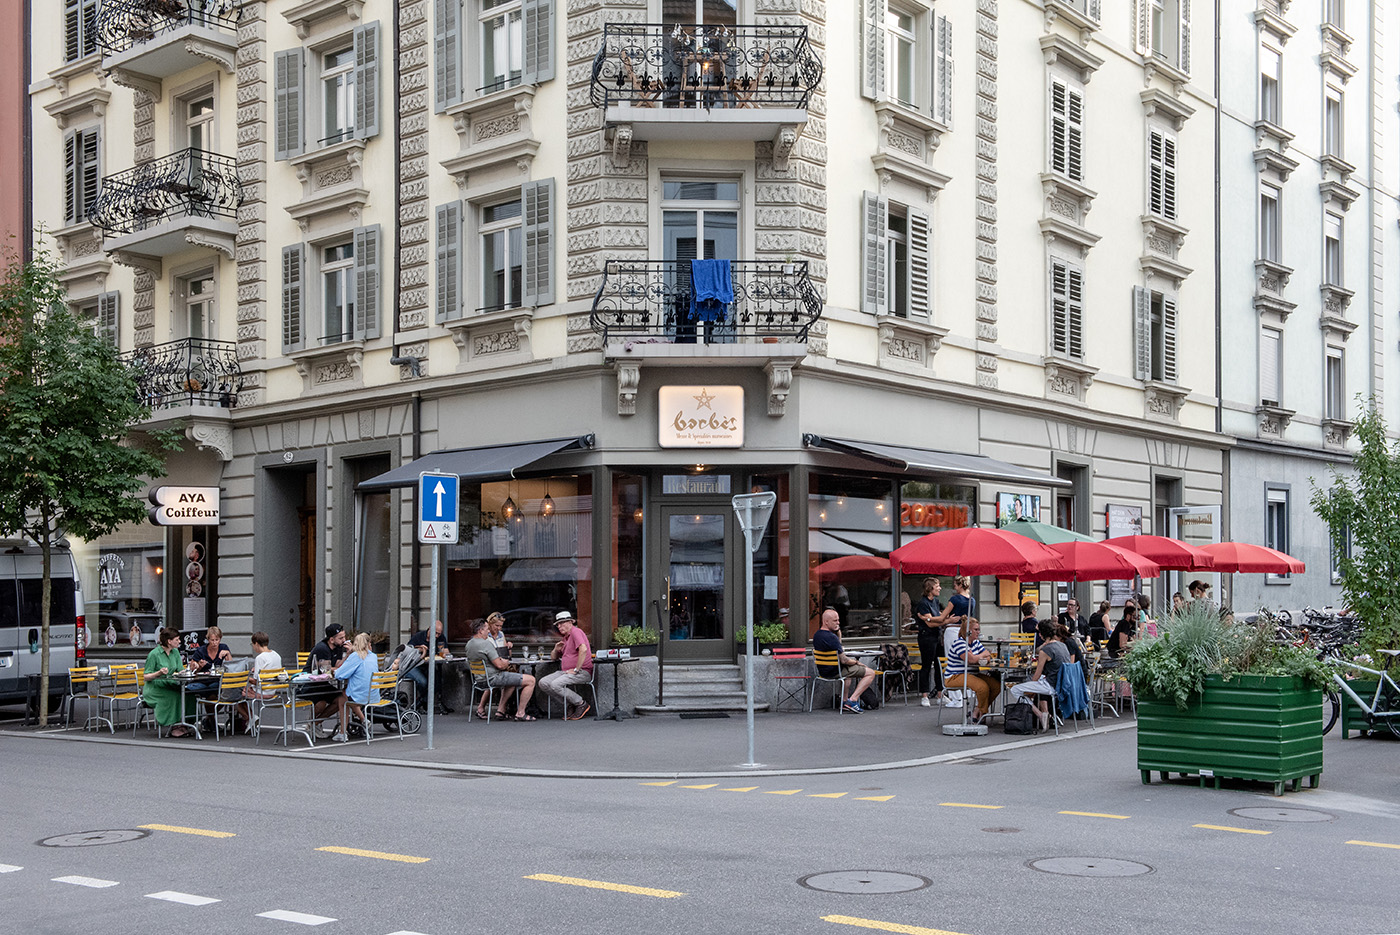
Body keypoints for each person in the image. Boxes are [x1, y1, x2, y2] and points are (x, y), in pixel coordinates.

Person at [466, 618, 537, 720]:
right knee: (531, 680)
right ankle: (521, 713)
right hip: (493, 678)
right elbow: (500, 665)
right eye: (486, 629)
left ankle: (500, 711)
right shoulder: (486, 644)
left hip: (479, 680)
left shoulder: (469, 644)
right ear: (480, 630)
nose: (488, 631)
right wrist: (505, 662)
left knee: (511, 680)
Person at [1009, 620, 1072, 731]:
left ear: (1041, 634)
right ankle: (1046, 714)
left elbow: (1037, 675)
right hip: (1064, 685)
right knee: (1030, 687)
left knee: (1015, 689)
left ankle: (1040, 714)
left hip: (1051, 686)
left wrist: (1031, 692)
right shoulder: (1063, 646)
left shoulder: (1045, 651)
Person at [812, 608, 877, 713]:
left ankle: (844, 701)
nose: (838, 623)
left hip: (823, 671)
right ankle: (853, 700)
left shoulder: (817, 635)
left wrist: (838, 636)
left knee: (848, 674)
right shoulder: (832, 638)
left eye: (838, 620)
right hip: (835, 671)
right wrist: (856, 662)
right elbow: (844, 660)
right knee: (870, 673)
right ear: (826, 621)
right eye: (835, 620)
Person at [538, 611, 594, 720]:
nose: (559, 626)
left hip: (582, 671)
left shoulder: (575, 632)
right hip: (566, 672)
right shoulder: (566, 638)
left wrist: (576, 669)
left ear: (570, 622)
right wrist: (555, 649)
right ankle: (570, 703)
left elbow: (583, 649)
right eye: (558, 624)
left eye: (562, 623)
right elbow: (553, 657)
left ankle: (581, 703)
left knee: (555, 684)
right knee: (543, 683)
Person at [943, 618, 1000, 723]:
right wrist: (981, 655)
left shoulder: (976, 643)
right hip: (955, 676)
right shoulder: (960, 643)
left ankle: (977, 710)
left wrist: (979, 657)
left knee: (996, 686)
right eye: (976, 630)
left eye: (979, 629)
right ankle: (982, 714)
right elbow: (971, 659)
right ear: (968, 631)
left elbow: (988, 657)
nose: (978, 632)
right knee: (982, 687)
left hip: (972, 673)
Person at [142, 627, 196, 737]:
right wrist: (159, 673)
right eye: (177, 639)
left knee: (189, 695)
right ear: (169, 641)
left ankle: (185, 723)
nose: (180, 641)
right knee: (174, 697)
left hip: (170, 684)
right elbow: (146, 676)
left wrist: (191, 668)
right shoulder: (154, 654)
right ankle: (174, 726)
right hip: (155, 688)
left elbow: (180, 671)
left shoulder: (175, 652)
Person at [912, 577, 955, 706]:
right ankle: (924, 695)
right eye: (937, 586)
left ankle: (940, 693)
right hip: (926, 637)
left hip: (937, 636)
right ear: (930, 589)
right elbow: (930, 624)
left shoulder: (935, 601)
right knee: (926, 665)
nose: (940, 588)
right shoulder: (923, 603)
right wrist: (946, 621)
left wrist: (940, 619)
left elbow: (936, 618)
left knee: (938, 665)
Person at [333, 632, 380, 742]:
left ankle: (343, 733)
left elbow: (340, 675)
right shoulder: (373, 656)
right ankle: (363, 720)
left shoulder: (356, 656)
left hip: (360, 696)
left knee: (342, 699)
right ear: (368, 643)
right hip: (373, 695)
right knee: (347, 694)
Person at [304, 623, 349, 736]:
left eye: (344, 637)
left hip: (324, 682)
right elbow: (327, 671)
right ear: (331, 639)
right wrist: (337, 669)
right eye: (341, 638)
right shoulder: (322, 648)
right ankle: (312, 724)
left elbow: (337, 665)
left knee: (341, 699)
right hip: (311, 682)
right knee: (321, 703)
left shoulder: (338, 647)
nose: (344, 640)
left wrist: (347, 655)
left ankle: (315, 723)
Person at [404, 619, 453, 714]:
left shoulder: (441, 638)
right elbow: (408, 650)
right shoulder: (418, 637)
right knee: (423, 682)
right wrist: (419, 649)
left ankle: (421, 703)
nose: (437, 636)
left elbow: (446, 650)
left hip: (428, 666)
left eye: (439, 634)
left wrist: (445, 652)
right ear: (430, 629)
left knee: (437, 680)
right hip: (413, 666)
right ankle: (422, 703)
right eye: (435, 633)